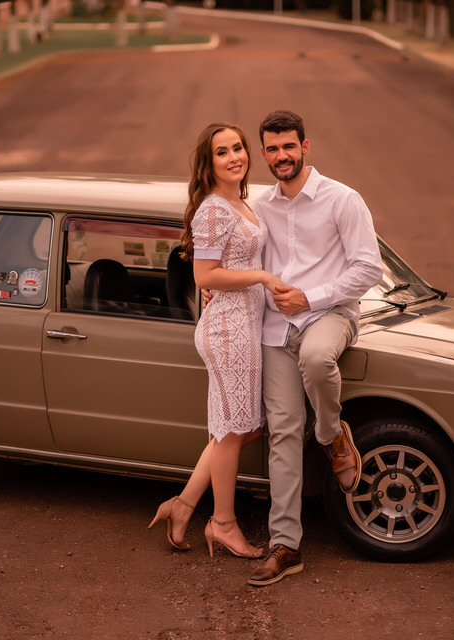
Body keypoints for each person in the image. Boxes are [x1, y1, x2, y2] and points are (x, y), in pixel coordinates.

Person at [247, 110, 383, 587]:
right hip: (274, 330)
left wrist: (313, 297)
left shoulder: (342, 199)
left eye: (290, 146)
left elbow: (370, 268)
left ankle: (332, 437)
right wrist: (211, 285)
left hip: (329, 316)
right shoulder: (259, 207)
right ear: (263, 154)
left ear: (306, 147)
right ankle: (285, 546)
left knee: (316, 358)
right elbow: (242, 261)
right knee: (283, 433)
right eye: (272, 148)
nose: (282, 156)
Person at [149, 122, 284, 559]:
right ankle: (223, 523)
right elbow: (205, 276)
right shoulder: (212, 209)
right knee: (232, 431)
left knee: (244, 428)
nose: (234, 157)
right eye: (222, 152)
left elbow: (226, 264)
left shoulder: (242, 202)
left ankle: (183, 505)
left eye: (239, 148)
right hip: (227, 330)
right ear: (210, 163)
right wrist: (261, 277)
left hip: (248, 326)